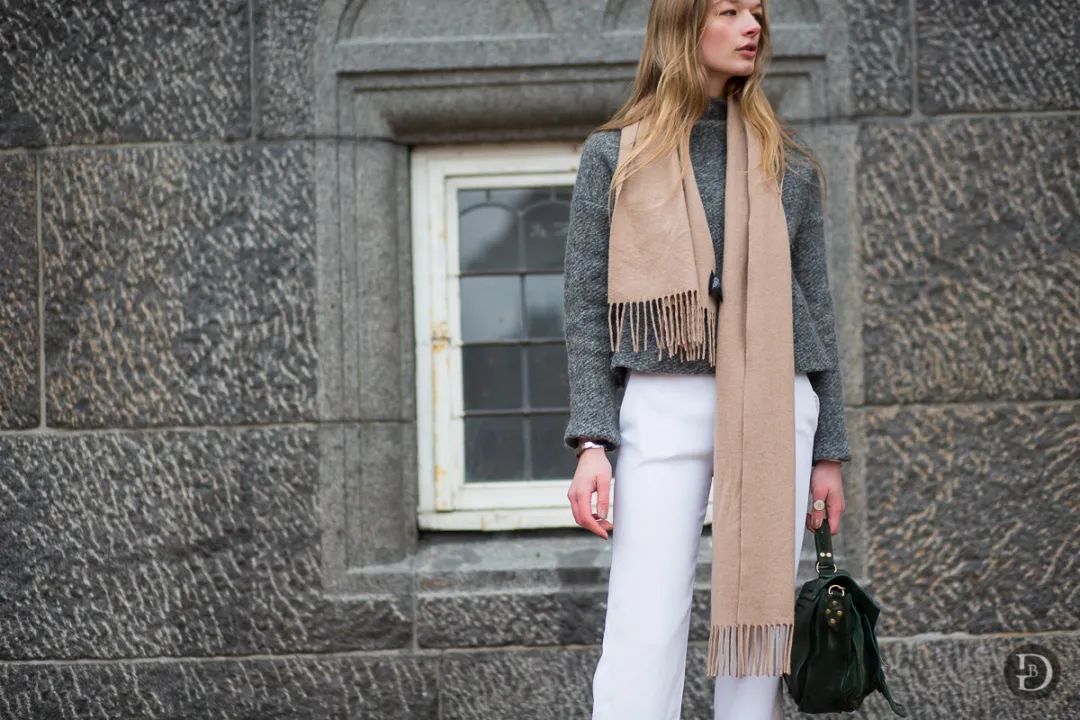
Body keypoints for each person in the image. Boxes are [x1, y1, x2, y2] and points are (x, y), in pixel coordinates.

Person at [562, 1, 852, 718]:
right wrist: (594, 441)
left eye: (758, 12)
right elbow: (585, 304)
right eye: (730, 10)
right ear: (684, 25)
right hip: (663, 399)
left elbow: (815, 309)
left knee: (760, 625)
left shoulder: (785, 160)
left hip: (775, 397)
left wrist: (829, 452)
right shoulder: (616, 156)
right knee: (643, 621)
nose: (753, 26)